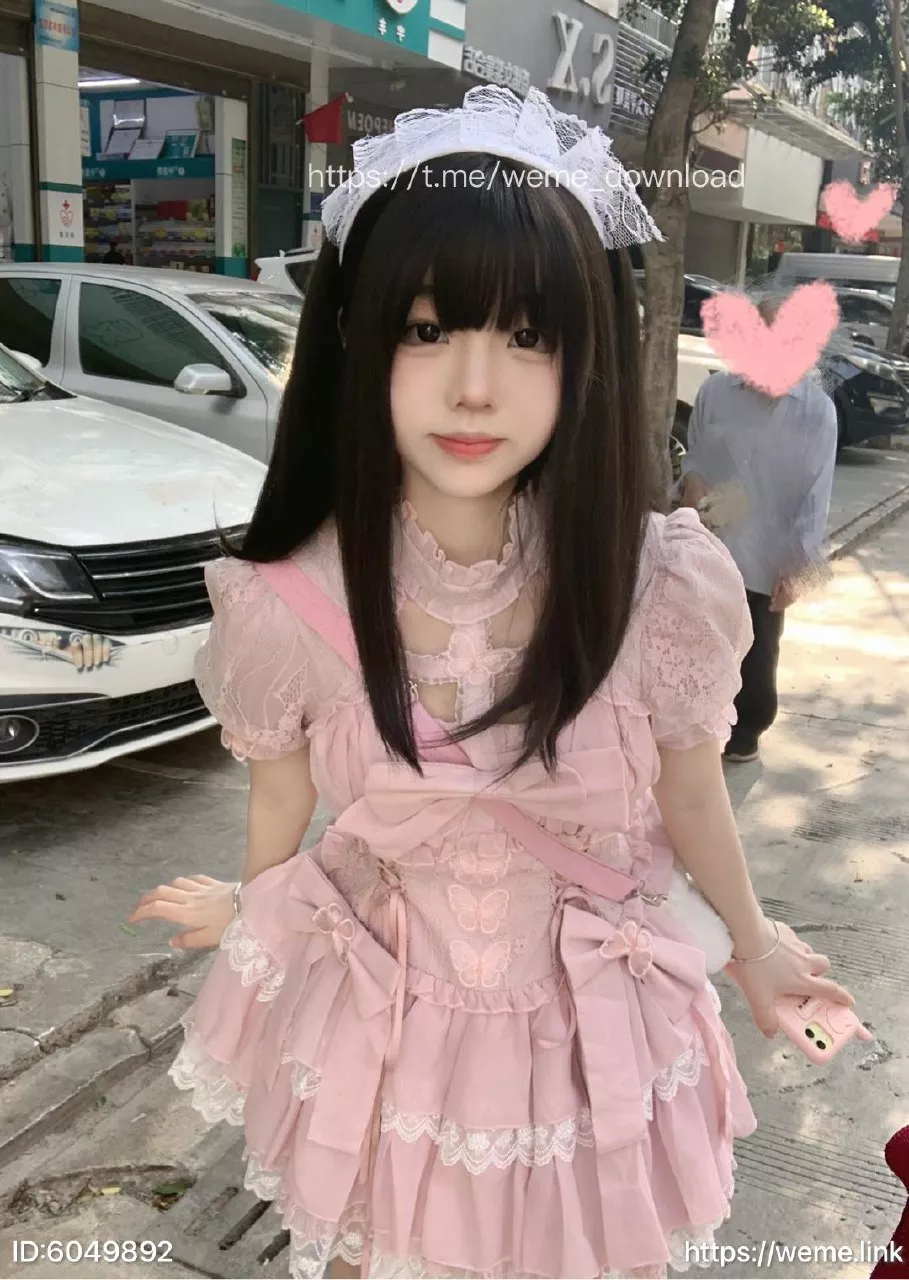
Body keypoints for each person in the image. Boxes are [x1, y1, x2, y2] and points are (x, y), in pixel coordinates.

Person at [128, 88, 857, 1280]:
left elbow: (690, 792)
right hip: (389, 1033)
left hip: (592, 1036)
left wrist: (756, 940)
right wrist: (252, 908)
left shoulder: (657, 583)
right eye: (427, 329)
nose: (475, 386)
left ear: (585, 356)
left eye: (528, 335)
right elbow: (284, 807)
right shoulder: (288, 601)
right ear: (358, 338)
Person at [679, 294, 838, 764]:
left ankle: (748, 728)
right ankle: (692, 724)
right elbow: (695, 452)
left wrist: (799, 567)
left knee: (757, 648)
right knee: (696, 640)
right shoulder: (716, 392)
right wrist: (693, 480)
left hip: (767, 554)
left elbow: (815, 497)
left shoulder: (815, 411)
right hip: (709, 544)